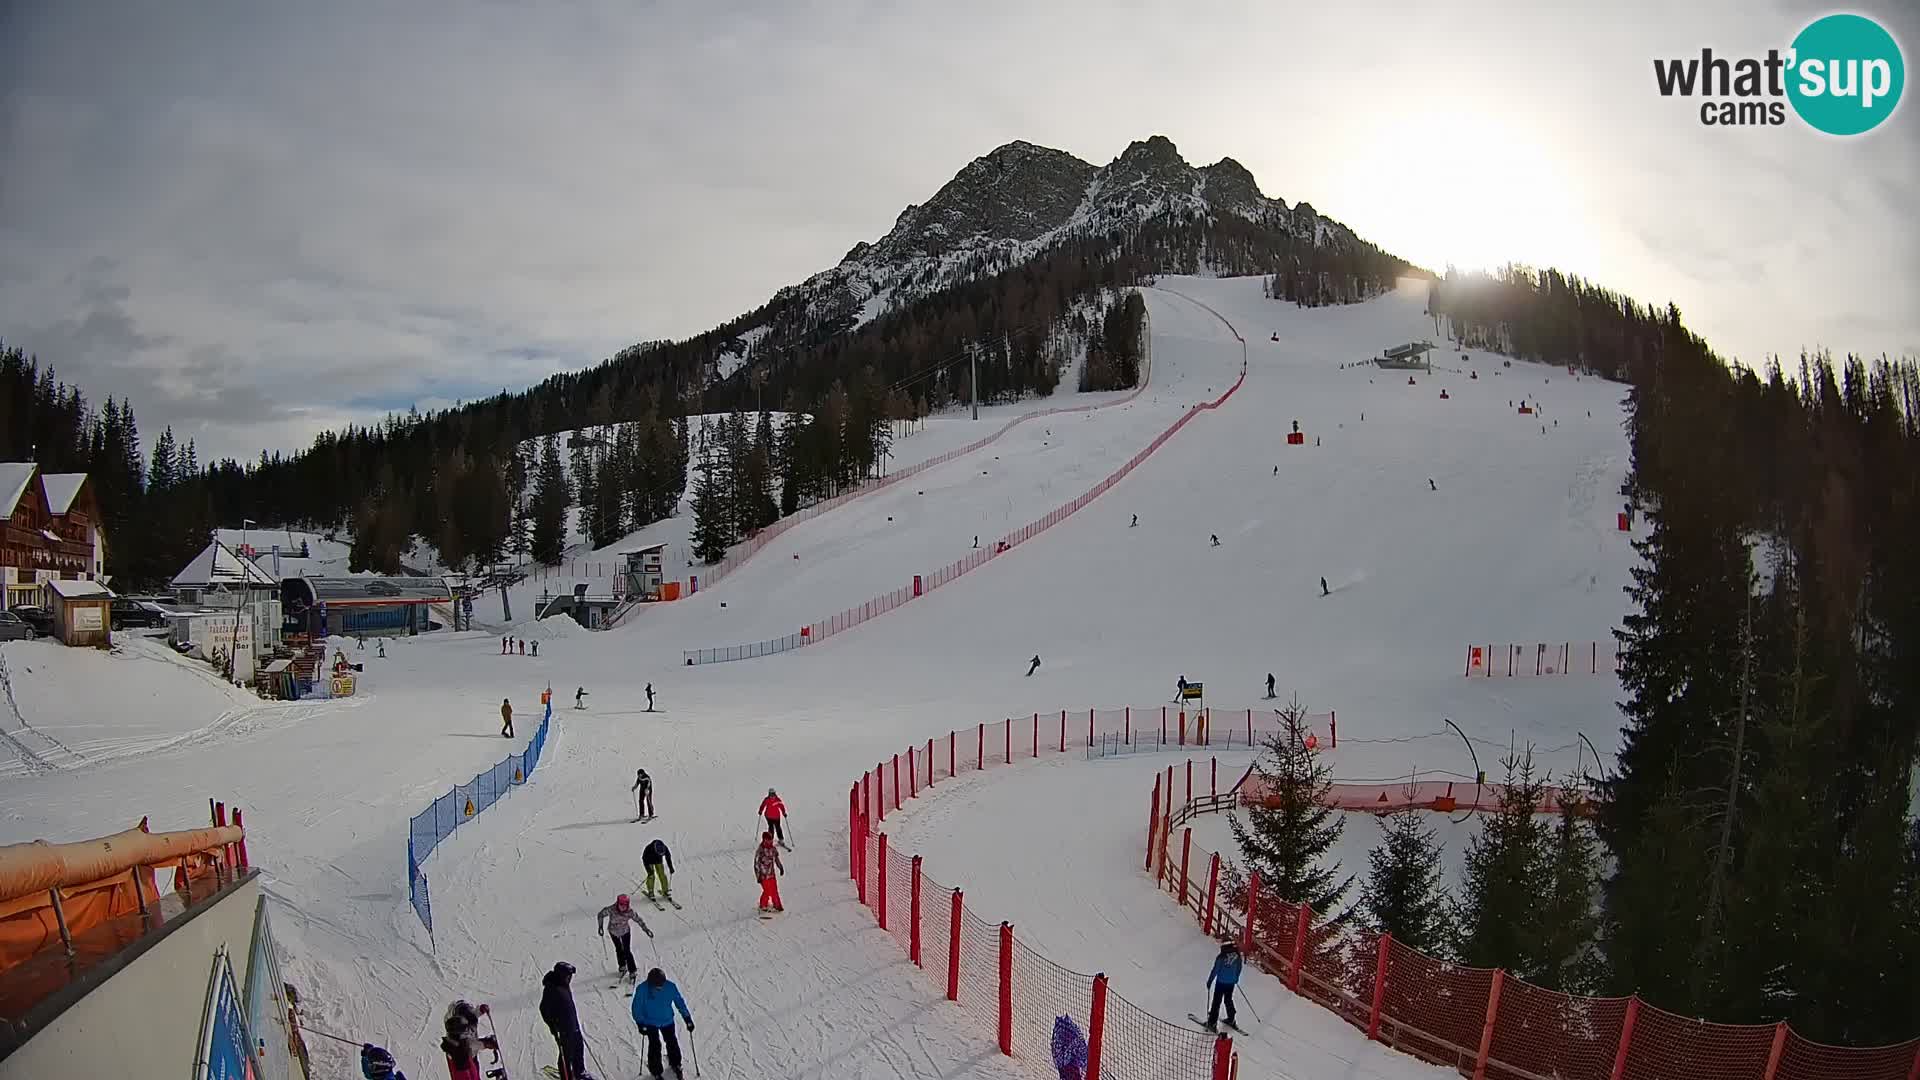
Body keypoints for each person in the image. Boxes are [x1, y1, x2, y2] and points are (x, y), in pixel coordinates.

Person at [630, 968, 694, 1080]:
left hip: (667, 1020)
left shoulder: (670, 987)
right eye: (657, 985)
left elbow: (679, 1002)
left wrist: (687, 1018)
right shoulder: (642, 989)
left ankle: (676, 1063)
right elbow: (636, 1008)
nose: (660, 987)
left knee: (672, 1041)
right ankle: (656, 1070)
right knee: (655, 1045)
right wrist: (640, 1023)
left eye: (661, 984)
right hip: (650, 1022)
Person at [540, 962, 591, 1080]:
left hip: (573, 1025)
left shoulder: (563, 985)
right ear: (561, 975)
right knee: (565, 1056)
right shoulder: (551, 989)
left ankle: (580, 1072)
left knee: (578, 1049)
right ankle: (566, 1076)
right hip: (563, 1030)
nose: (570, 978)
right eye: (568, 976)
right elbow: (544, 1009)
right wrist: (554, 1026)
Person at [597, 894, 653, 983]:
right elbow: (600, 914)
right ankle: (622, 965)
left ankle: (632, 970)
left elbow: (639, 920)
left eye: (625, 906)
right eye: (621, 905)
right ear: (618, 903)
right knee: (618, 948)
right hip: (613, 931)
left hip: (625, 932)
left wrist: (646, 930)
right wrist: (600, 927)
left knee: (627, 950)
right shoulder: (612, 909)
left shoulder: (630, 912)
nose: (623, 908)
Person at [440, 1001, 496, 1080]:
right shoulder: (455, 1027)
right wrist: (485, 1043)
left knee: (474, 1073)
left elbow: (473, 1014)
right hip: (459, 1060)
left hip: (468, 1055)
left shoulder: (466, 1015)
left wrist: (481, 1010)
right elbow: (468, 1044)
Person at [1204, 940, 1243, 1031]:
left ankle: (1212, 1022)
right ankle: (1231, 1018)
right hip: (1231, 983)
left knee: (1216, 1002)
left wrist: (1210, 981)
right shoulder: (1237, 956)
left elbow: (1215, 970)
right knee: (1228, 1000)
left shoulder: (1221, 957)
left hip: (1221, 982)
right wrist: (1236, 978)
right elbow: (1239, 968)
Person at [754, 830, 785, 912]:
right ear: (764, 840)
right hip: (763, 875)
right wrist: (758, 876)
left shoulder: (773, 849)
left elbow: (776, 859)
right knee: (767, 891)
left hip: (771, 874)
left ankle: (777, 905)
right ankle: (763, 904)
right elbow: (756, 865)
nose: (770, 842)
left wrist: (780, 867)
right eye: (768, 840)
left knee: (774, 890)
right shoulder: (760, 851)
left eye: (771, 840)